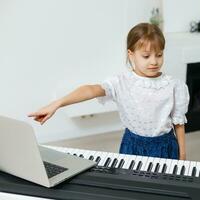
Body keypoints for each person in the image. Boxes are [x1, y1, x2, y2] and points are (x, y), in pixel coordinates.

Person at [28, 23, 190, 160]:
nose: (154, 61)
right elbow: (90, 90)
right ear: (131, 54)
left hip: (164, 146)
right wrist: (57, 104)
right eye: (146, 56)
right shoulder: (121, 82)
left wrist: (182, 154)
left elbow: (178, 123)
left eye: (159, 55)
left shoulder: (174, 86)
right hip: (132, 145)